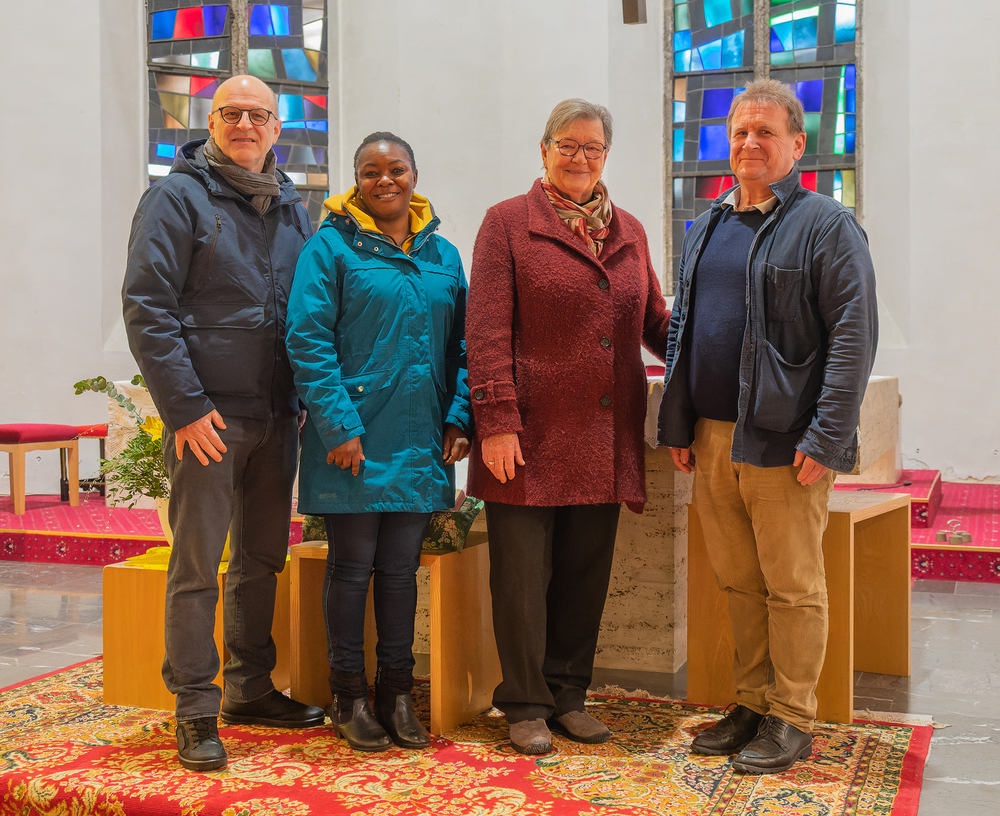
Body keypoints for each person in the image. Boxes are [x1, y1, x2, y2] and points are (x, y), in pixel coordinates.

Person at [657, 79, 878, 774]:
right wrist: (680, 422)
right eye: (740, 132)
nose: (750, 143)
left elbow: (853, 336)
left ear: (796, 143)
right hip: (715, 439)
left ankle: (792, 716)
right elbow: (688, 334)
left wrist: (826, 436)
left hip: (785, 443)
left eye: (765, 132)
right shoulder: (710, 224)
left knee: (792, 586)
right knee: (741, 584)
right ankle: (751, 702)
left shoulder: (825, 224)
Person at [123, 75, 324, 773]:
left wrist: (301, 398)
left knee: (262, 558)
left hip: (277, 413)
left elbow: (308, 308)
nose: (246, 124)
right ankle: (195, 708)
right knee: (197, 564)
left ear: (277, 127)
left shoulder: (296, 208)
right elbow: (148, 304)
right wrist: (184, 406)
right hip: (209, 416)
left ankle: (250, 687)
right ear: (210, 122)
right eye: (232, 113)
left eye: (258, 115)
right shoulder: (176, 197)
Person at [466, 99, 671, 755]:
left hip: (604, 438)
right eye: (567, 144)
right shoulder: (506, 225)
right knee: (522, 579)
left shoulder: (630, 231)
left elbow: (657, 325)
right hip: (526, 438)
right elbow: (487, 331)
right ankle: (524, 703)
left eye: (593, 147)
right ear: (545, 149)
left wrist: (715, 365)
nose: (580, 157)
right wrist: (496, 420)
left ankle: (568, 696)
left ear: (606, 155)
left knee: (585, 574)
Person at [285, 132, 471, 752]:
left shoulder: (443, 254)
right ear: (356, 180)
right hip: (355, 443)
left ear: (415, 174)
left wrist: (459, 417)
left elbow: (463, 347)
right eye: (371, 171)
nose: (384, 179)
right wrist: (339, 428)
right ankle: (350, 696)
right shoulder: (330, 247)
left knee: (399, 573)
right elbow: (308, 340)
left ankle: (396, 692)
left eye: (396, 169)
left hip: (422, 443)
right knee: (351, 568)